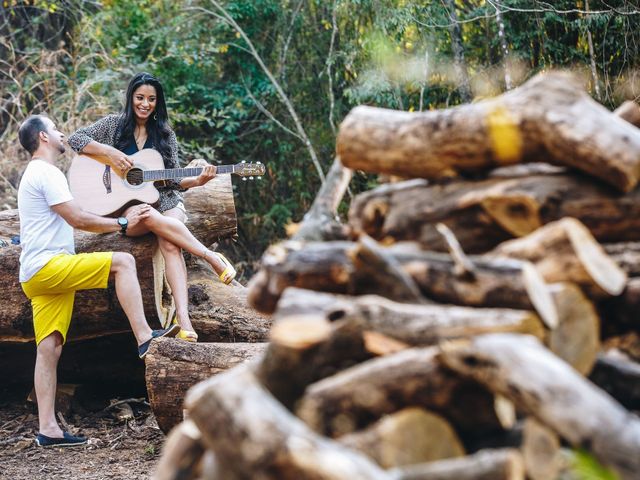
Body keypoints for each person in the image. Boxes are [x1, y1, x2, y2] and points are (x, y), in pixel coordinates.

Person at [17, 114, 181, 448]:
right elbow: (77, 217)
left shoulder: (35, 174)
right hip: (49, 266)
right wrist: (121, 222)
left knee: (49, 347)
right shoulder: (45, 171)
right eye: (56, 129)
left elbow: (74, 215)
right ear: (44, 138)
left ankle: (47, 429)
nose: (62, 133)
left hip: (38, 275)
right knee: (122, 262)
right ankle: (145, 337)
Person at [68, 72, 235, 343]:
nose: (145, 104)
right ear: (131, 98)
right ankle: (210, 257)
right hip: (127, 207)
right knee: (147, 214)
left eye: (151, 99)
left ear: (158, 103)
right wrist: (109, 153)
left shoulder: (165, 135)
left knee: (170, 242)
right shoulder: (113, 126)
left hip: (165, 199)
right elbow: (75, 139)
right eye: (140, 98)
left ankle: (184, 319)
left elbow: (175, 181)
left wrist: (199, 179)